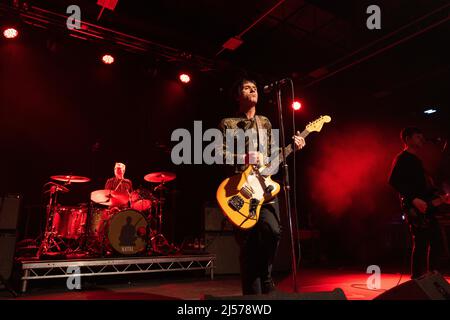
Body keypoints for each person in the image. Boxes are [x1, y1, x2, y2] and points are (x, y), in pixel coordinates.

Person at [218, 78, 305, 295]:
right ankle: (254, 296)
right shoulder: (227, 123)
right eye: (247, 87)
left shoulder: (264, 122)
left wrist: (293, 147)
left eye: (254, 87)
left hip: (264, 187)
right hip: (240, 189)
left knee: (273, 231)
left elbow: (273, 159)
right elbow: (217, 155)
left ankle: (266, 274)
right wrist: (243, 157)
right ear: (237, 95)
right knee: (249, 246)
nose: (253, 89)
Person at [388, 127, 444, 279]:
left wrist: (441, 198)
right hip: (414, 208)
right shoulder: (402, 158)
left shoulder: (418, 161)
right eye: (418, 137)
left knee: (437, 242)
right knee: (421, 244)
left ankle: (432, 276)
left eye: (422, 136)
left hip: (424, 207)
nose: (421, 139)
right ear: (407, 139)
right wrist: (413, 199)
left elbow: (424, 187)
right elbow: (393, 181)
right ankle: (418, 280)